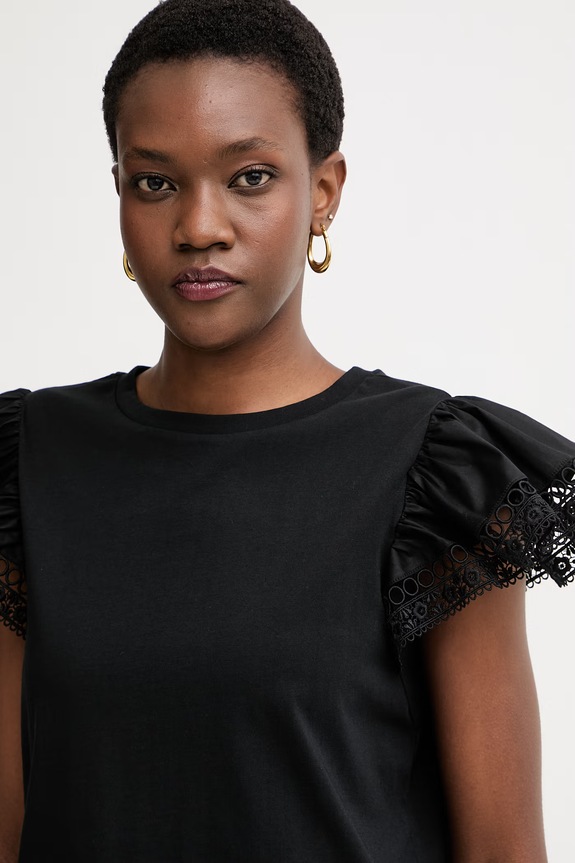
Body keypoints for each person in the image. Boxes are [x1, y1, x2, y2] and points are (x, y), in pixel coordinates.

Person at [0, 0, 573, 860]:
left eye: (249, 177)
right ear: (118, 190)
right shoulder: (27, 464)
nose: (199, 227)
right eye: (155, 182)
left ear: (324, 192)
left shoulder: (437, 476)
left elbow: (501, 848)